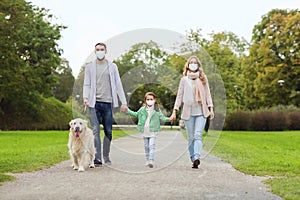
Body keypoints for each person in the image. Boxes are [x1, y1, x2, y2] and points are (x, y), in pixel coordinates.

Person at [83, 42, 128, 166]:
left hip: (108, 103)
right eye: (97, 49)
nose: (100, 51)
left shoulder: (112, 66)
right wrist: (85, 97)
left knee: (108, 131)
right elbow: (86, 83)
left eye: (102, 49)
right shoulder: (90, 67)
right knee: (96, 131)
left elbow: (118, 84)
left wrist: (123, 102)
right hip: (94, 103)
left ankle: (106, 155)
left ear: (106, 51)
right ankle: (97, 158)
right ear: (94, 51)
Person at [170, 56, 214, 169]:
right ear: (188, 65)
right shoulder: (184, 80)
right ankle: (192, 157)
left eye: (195, 62)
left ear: (198, 65)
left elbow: (208, 94)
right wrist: (175, 110)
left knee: (197, 135)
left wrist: (211, 108)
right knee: (190, 137)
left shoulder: (203, 78)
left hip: (201, 111)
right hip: (188, 112)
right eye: (191, 62)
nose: (193, 64)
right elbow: (179, 95)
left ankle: (196, 158)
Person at [125, 92, 171, 168]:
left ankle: (151, 160)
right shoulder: (142, 109)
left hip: (152, 131)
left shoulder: (157, 110)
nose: (149, 100)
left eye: (151, 99)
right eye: (148, 99)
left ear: (154, 100)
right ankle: (147, 160)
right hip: (145, 131)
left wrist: (170, 119)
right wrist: (127, 110)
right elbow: (135, 114)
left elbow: (162, 118)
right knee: (146, 146)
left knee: (151, 146)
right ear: (145, 100)